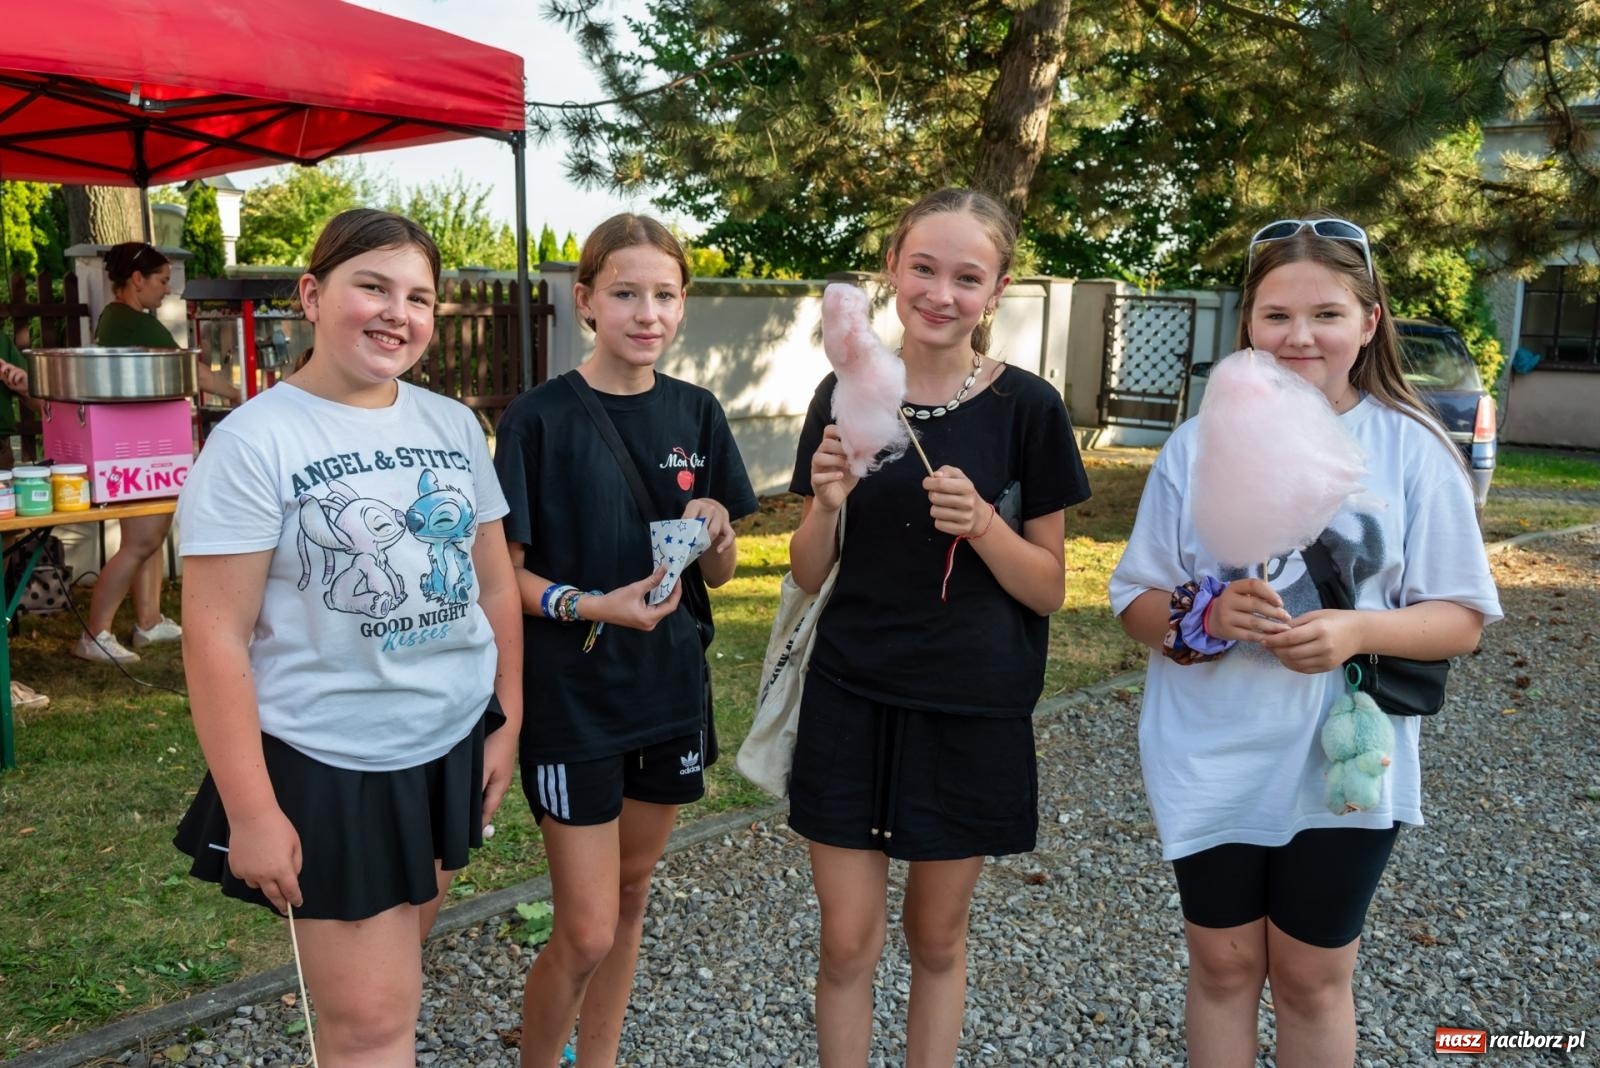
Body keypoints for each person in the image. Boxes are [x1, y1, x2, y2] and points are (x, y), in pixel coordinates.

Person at [1108, 215, 1502, 1066]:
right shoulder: (1195, 446)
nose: (1299, 337)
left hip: (1345, 762)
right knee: (1222, 965)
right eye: (1276, 316)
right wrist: (1206, 618)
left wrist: (1357, 627)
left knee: (1314, 978)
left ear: (1368, 322)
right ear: (1247, 324)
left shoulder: (1413, 451)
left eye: (1325, 315)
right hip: (1210, 749)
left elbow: (1460, 621)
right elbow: (1134, 599)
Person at [171, 209, 523, 1066]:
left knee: (396, 972)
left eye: (419, 297)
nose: (396, 313)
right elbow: (214, 637)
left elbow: (494, 583)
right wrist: (252, 811)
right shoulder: (256, 442)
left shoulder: (451, 423)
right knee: (370, 1024)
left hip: (447, 741)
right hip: (332, 761)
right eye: (372, 286)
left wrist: (507, 718)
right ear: (312, 294)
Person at [787, 187, 1090, 1064]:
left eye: (968, 276)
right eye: (923, 267)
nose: (940, 292)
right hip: (849, 695)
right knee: (846, 941)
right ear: (892, 269)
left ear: (996, 291)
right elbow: (811, 574)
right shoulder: (844, 394)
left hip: (970, 708)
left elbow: (1047, 591)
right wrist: (829, 504)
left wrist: (985, 525)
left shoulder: (1028, 410)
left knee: (937, 937)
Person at [493, 213, 756, 1067]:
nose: (648, 312)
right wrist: (592, 606)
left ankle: (596, 1059)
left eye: (665, 295)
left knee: (633, 895)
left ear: (682, 307)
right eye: (626, 293)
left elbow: (716, 576)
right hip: (574, 704)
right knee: (586, 928)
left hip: (668, 693)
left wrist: (717, 529)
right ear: (585, 302)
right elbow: (508, 580)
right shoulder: (537, 420)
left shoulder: (698, 412)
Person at [71, 242, 236, 662]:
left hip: (138, 447)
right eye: (162, 280)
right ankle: (95, 634)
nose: (168, 290)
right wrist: (240, 393)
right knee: (142, 540)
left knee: (149, 536)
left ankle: (148, 620)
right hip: (140, 448)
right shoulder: (136, 324)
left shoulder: (116, 318)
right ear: (137, 279)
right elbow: (191, 371)